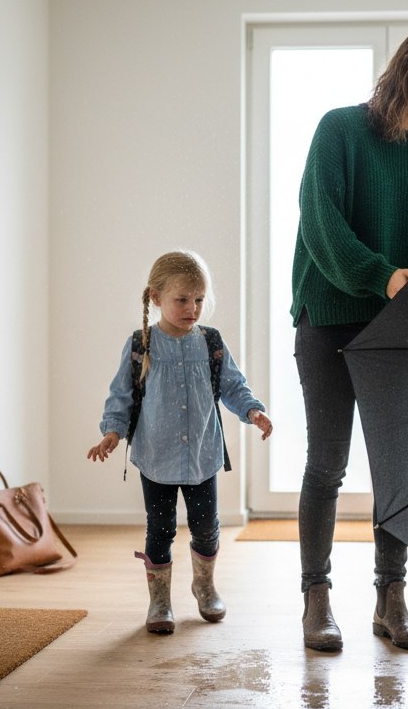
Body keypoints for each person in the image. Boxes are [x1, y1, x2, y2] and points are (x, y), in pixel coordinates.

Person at [290, 22, 408, 652]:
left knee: (397, 469)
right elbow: (321, 224)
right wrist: (381, 276)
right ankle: (316, 600)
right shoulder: (338, 131)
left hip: (400, 330)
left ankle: (390, 600)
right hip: (328, 318)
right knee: (326, 464)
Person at [89, 251, 273, 634]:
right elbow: (121, 395)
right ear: (155, 298)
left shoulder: (209, 342)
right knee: (160, 529)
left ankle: (204, 585)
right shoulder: (142, 344)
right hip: (156, 456)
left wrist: (253, 411)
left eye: (199, 300)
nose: (193, 309)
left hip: (202, 455)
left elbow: (232, 386)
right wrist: (112, 432)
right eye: (182, 300)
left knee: (207, 526)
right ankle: (160, 600)